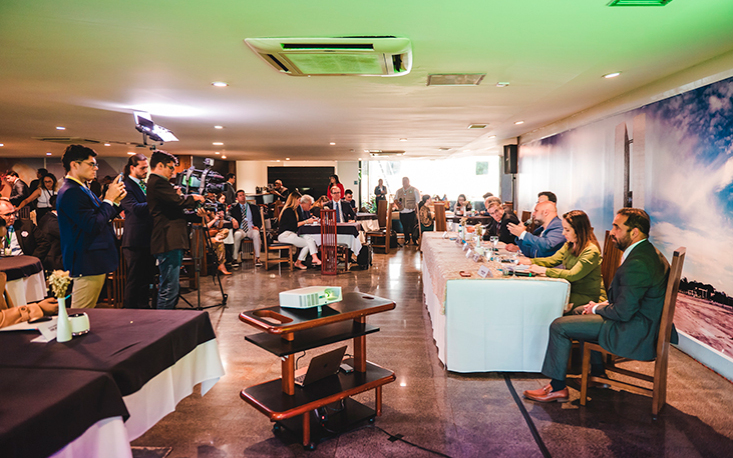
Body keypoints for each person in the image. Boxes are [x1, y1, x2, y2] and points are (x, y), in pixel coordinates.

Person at [523, 208, 671, 403]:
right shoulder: (647, 253)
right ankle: (599, 374)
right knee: (577, 312)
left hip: (634, 331)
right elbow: (633, 297)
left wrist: (596, 308)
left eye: (617, 227)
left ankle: (557, 387)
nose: (612, 232)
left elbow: (623, 311)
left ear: (634, 232)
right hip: (639, 321)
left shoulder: (639, 262)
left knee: (559, 325)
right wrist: (600, 305)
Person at [57, 144, 126, 309]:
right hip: (85, 261)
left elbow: (100, 216)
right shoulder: (71, 191)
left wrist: (115, 201)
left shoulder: (82, 188)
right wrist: (108, 199)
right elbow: (93, 225)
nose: (95, 168)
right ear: (74, 165)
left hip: (92, 260)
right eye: (91, 164)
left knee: (86, 311)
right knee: (79, 312)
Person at [147, 150, 205, 310]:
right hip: (168, 239)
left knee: (170, 284)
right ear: (160, 165)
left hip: (170, 239)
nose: (173, 172)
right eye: (171, 168)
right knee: (169, 286)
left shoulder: (158, 183)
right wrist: (193, 198)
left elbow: (173, 207)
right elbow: (176, 201)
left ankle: (166, 320)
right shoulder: (158, 182)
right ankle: (163, 323)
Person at [520, 210, 607, 311]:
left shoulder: (591, 251)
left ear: (579, 230)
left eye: (567, 230)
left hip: (588, 297)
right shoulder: (569, 245)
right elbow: (552, 260)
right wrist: (530, 262)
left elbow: (572, 275)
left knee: (545, 301)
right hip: (570, 290)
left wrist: (544, 270)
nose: (563, 233)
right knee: (540, 296)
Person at [119, 153, 155, 309]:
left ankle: (143, 308)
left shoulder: (144, 186)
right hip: (135, 240)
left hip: (148, 239)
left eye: (147, 167)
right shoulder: (125, 186)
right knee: (135, 278)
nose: (146, 170)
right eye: (142, 168)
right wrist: (156, 201)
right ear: (132, 168)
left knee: (146, 277)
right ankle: (129, 310)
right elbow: (135, 209)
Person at [278, 193, 321, 270]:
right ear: (295, 200)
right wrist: (307, 221)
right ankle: (299, 261)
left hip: (292, 233)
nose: (300, 202)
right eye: (299, 200)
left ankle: (313, 258)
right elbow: (294, 225)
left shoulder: (293, 210)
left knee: (309, 239)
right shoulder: (289, 210)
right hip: (285, 235)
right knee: (307, 244)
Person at [229, 190, 263, 267]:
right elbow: (228, 215)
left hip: (251, 228)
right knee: (237, 235)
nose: (243, 197)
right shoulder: (234, 207)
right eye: (240, 195)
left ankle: (257, 258)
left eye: (243, 195)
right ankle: (234, 259)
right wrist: (232, 219)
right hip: (240, 229)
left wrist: (258, 226)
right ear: (237, 198)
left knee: (256, 234)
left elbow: (259, 219)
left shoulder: (253, 207)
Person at [32, 196, 63, 271]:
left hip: (54, 258)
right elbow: (71, 236)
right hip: (55, 261)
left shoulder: (48, 217)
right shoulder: (52, 222)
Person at [202, 207, 232, 275]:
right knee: (220, 243)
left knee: (225, 230)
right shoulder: (201, 217)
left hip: (214, 236)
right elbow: (204, 229)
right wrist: (214, 220)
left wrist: (221, 219)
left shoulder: (211, 216)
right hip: (204, 239)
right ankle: (222, 265)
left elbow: (219, 227)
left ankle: (217, 238)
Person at [394, 177, 420, 245]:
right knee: (404, 226)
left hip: (411, 211)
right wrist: (397, 204)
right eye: (403, 181)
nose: (404, 183)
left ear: (408, 181)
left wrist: (416, 210)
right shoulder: (399, 191)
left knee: (412, 226)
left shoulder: (414, 190)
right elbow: (395, 199)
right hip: (402, 212)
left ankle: (415, 240)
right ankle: (407, 239)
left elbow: (417, 201)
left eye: (405, 181)